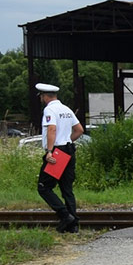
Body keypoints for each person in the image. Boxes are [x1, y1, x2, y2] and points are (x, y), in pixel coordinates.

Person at [35, 83, 83, 232]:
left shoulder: (50, 109)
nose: (41, 99)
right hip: (69, 150)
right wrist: (67, 141)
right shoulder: (66, 109)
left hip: (57, 152)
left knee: (44, 187)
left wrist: (50, 151)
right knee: (67, 189)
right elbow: (79, 130)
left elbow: (51, 129)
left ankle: (65, 215)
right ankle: (73, 225)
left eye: (41, 96)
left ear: (44, 96)